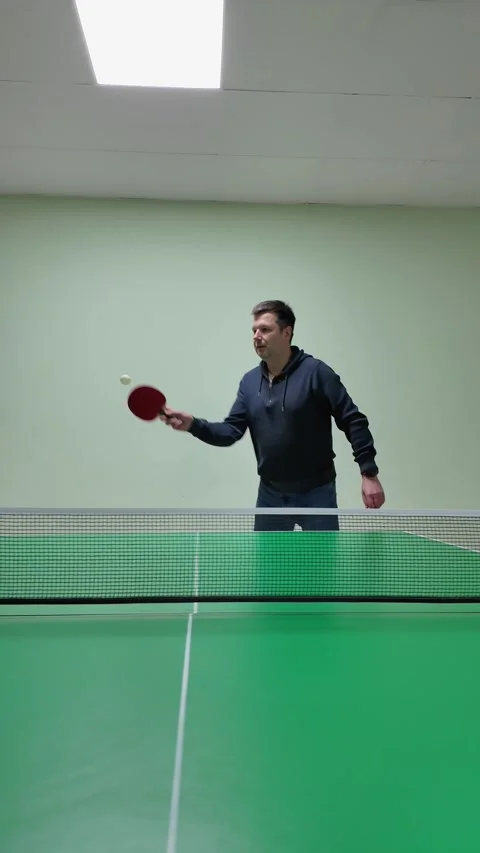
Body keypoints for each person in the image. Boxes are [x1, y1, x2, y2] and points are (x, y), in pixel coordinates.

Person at [160, 300, 385, 531]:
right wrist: (193, 425)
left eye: (265, 329)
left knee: (321, 555)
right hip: (270, 495)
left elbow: (353, 420)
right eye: (254, 330)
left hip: (317, 493)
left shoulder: (316, 373)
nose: (256, 336)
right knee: (268, 556)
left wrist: (368, 473)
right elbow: (230, 432)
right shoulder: (249, 382)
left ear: (286, 333)